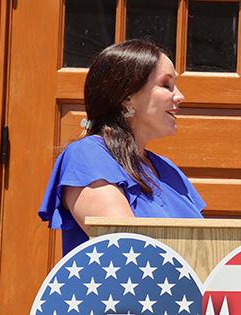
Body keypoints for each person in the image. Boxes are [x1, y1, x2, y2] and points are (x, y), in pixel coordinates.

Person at [38, 39, 206, 255]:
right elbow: (126, 249)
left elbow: (205, 249)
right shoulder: (88, 155)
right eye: (166, 85)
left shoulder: (168, 170)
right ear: (127, 99)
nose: (180, 96)